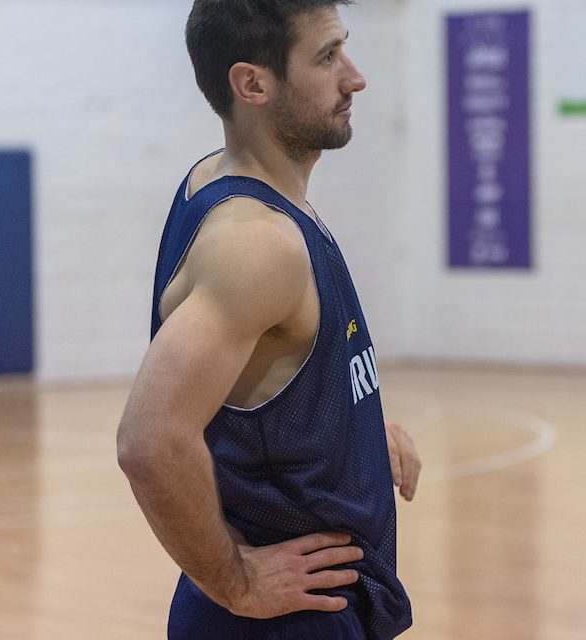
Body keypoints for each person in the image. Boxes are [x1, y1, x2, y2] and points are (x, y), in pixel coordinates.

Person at [115, 1, 420, 638]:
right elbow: (149, 440)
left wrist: (356, 430)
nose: (355, 77)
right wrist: (237, 582)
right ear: (253, 83)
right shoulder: (258, 245)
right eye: (327, 56)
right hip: (283, 618)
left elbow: (261, 385)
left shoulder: (220, 181)